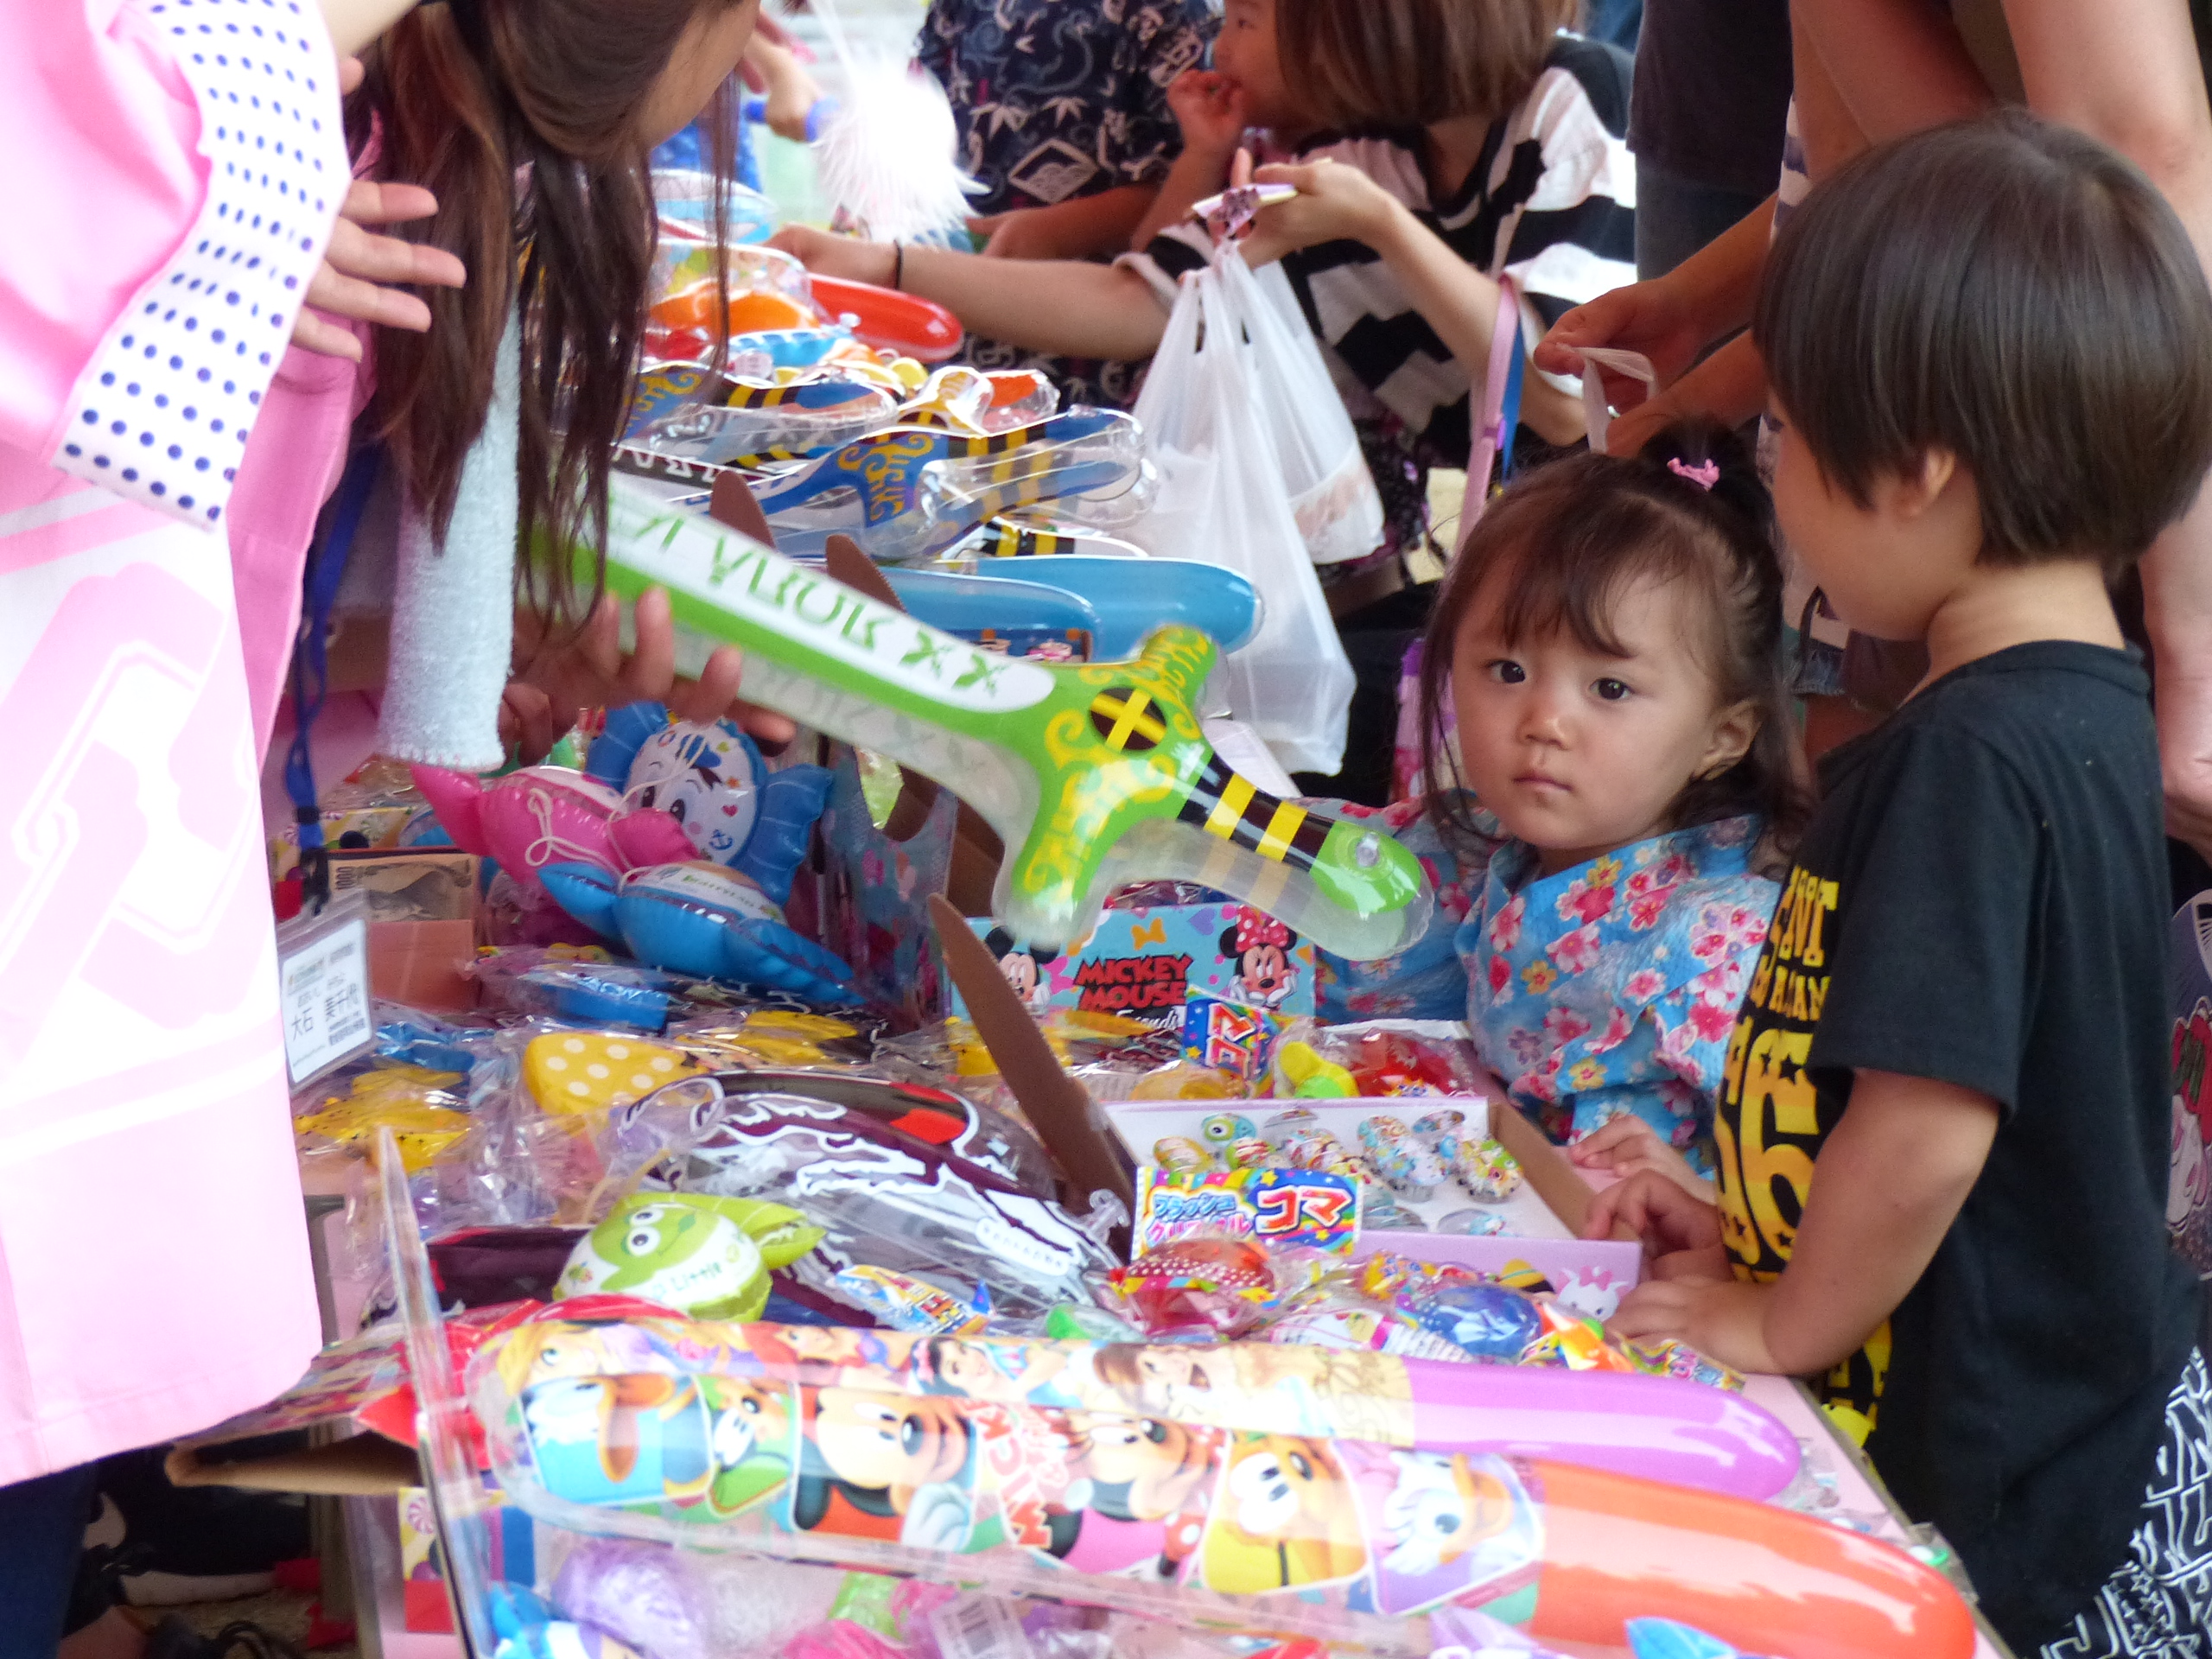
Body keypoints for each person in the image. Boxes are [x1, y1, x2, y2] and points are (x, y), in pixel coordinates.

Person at [1589, 115, 2212, 1656]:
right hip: (2047, 1427)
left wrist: (1782, 1318)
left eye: (1791, 435)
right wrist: (1757, 1232)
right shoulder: (2073, 717)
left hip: (2021, 1504)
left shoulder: (1968, 765)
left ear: (1920, 471)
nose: (1777, 476)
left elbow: (1931, 1131)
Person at [772, 0, 1637, 804]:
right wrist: (885, 267)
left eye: (1260, 17)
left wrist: (1380, 225)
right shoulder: (1347, 160)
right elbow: (1138, 298)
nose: (1224, 40)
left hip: (1600, 573)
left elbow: (1561, 397)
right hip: (1509, 577)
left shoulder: (1569, 96)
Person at [1317, 424, 1802, 1177]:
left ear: (1723, 735)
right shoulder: (1476, 843)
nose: (1544, 721)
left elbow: (1815, 1183)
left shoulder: (1723, 942)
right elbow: (1312, 879)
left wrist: (1711, 1210)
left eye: (1610, 688)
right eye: (1507, 671)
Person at [913, 0, 1214, 409]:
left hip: (1095, 351)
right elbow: (920, 108)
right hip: (958, 331)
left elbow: (1195, 181)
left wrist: (1058, 231)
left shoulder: (1169, 14)